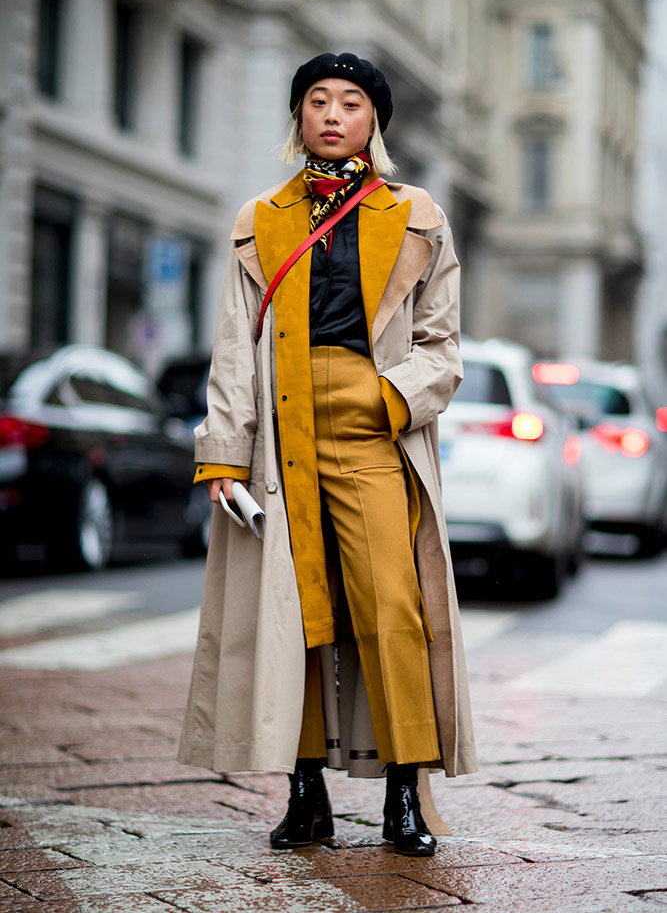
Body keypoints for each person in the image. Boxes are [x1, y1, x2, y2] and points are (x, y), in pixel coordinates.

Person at [177, 51, 477, 856]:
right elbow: (235, 348)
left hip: (372, 427)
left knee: (392, 611)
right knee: (297, 614)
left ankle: (402, 800)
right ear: (298, 116)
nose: (333, 113)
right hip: (282, 434)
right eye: (317, 100)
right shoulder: (260, 217)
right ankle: (303, 794)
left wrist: (384, 401)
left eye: (350, 101)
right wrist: (224, 455)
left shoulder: (416, 214)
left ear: (374, 120)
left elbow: (441, 347)